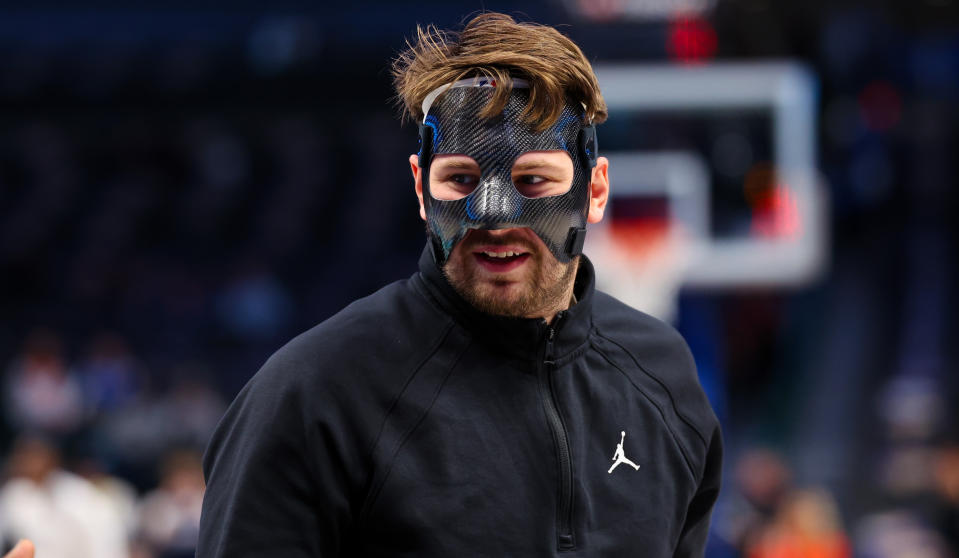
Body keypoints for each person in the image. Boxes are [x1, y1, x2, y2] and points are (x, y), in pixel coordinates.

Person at [197, 12, 721, 557]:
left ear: (594, 189)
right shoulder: (312, 396)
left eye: (533, 179)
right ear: (422, 188)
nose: (493, 215)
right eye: (462, 179)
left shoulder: (662, 379)